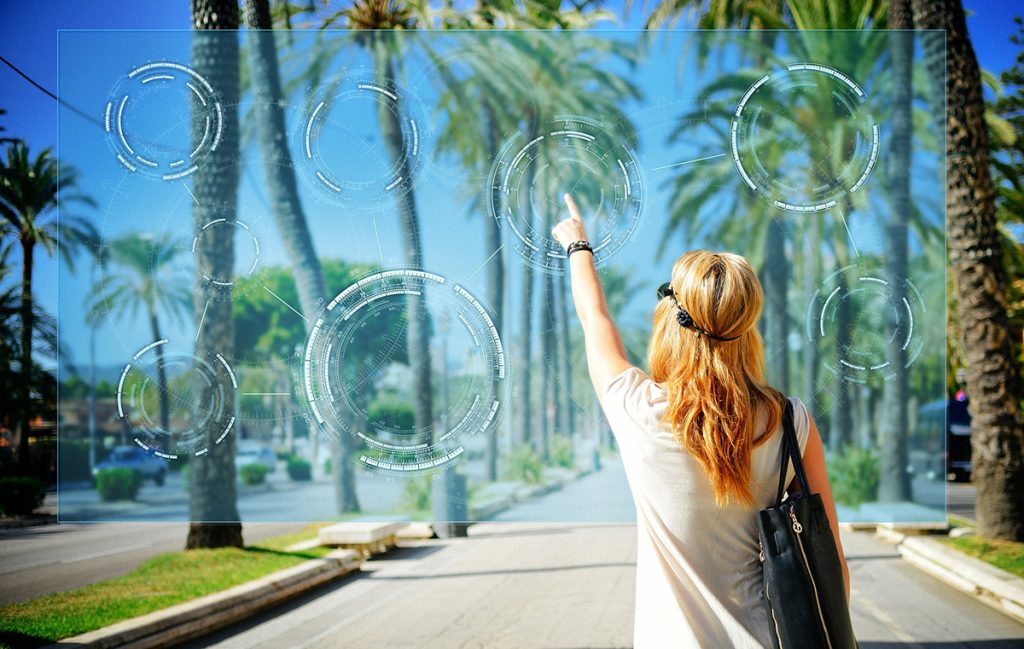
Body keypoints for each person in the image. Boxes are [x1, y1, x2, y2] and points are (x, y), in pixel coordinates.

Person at [551, 194, 850, 649]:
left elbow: (595, 320)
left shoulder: (638, 409)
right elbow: (833, 569)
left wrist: (578, 246)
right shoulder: (790, 423)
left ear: (670, 320)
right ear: (746, 327)